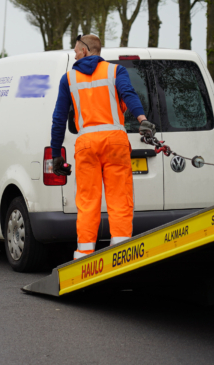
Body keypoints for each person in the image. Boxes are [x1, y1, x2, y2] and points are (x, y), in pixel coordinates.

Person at [50, 34, 156, 260]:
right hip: (115, 141)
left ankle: (85, 254)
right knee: (119, 198)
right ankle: (122, 252)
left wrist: (57, 154)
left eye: (77, 51)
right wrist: (142, 119)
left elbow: (59, 118)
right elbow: (129, 94)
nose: (75, 55)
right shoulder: (115, 71)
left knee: (88, 201)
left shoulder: (68, 79)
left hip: (86, 144)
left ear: (86, 50)